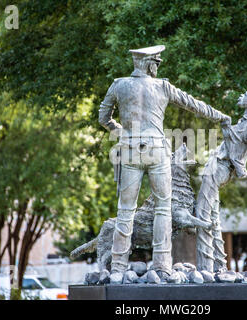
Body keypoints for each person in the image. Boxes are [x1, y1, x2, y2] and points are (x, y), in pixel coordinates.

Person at [98, 45, 231, 280]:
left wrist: (121, 131)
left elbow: (103, 117)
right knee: (162, 208)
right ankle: (161, 265)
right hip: (157, 151)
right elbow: (194, 104)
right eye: (156, 63)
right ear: (149, 64)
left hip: (129, 151)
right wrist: (220, 116)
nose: (157, 67)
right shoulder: (162, 87)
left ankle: (118, 267)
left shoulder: (118, 85)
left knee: (125, 210)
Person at [196, 85, 247, 273]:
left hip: (222, 169)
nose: (241, 95)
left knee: (203, 212)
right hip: (216, 165)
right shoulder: (243, 121)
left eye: (246, 94)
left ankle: (205, 268)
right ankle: (217, 265)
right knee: (212, 215)